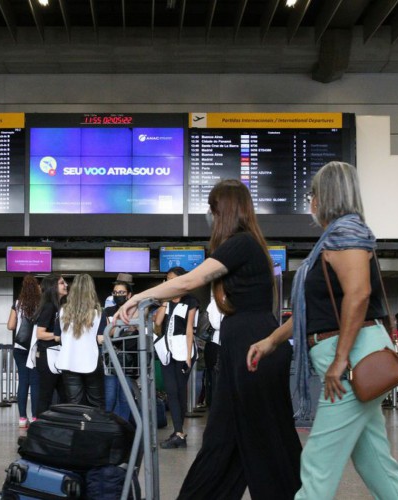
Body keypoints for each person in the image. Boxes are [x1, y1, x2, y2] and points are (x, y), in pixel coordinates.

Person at [117, 179, 301, 497]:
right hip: (243, 347)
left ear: (225, 211)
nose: (209, 216)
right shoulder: (247, 245)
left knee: (267, 444)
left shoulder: (242, 243)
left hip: (252, 348)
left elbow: (192, 279)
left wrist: (138, 298)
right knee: (225, 441)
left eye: (212, 209)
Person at [247, 161, 398, 499]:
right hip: (353, 356)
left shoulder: (346, 233)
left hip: (351, 362)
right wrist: (271, 340)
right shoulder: (335, 237)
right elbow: (316, 312)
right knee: (375, 462)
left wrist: (339, 361)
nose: (310, 200)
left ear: (326, 195)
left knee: (317, 462)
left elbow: (359, 293)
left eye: (313, 193)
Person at [152, 266, 199, 449]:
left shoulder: (191, 301)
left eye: (172, 279)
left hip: (183, 350)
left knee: (180, 391)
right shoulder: (167, 301)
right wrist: (165, 300)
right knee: (171, 390)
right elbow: (157, 322)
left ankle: (179, 432)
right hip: (167, 350)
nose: (168, 282)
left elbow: (189, 330)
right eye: (167, 279)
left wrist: (188, 356)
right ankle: (178, 432)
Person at [56, 274, 105, 408]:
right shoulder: (98, 313)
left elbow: (59, 337)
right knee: (96, 404)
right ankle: (94, 428)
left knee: (74, 404)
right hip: (91, 361)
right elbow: (101, 339)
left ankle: (78, 428)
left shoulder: (62, 312)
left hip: (68, 361)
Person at [7, 274, 41, 428]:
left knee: (23, 382)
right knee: (35, 383)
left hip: (20, 348)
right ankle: (35, 417)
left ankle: (22, 419)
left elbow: (10, 326)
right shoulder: (41, 304)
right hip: (35, 348)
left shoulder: (17, 304)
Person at [101, 275, 137, 421]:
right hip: (111, 359)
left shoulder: (135, 311)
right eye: (115, 293)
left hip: (130, 359)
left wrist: (115, 328)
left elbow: (135, 331)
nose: (118, 295)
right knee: (109, 397)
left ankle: (124, 428)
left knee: (125, 396)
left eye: (122, 293)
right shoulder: (108, 311)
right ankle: (111, 428)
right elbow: (105, 333)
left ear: (129, 295)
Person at [33, 274, 68, 417]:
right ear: (53, 287)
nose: (65, 285)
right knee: (46, 396)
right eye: (61, 283)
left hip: (55, 355)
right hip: (48, 356)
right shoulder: (49, 307)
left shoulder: (59, 306)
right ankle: (39, 427)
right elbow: (40, 333)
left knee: (64, 395)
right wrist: (58, 336)